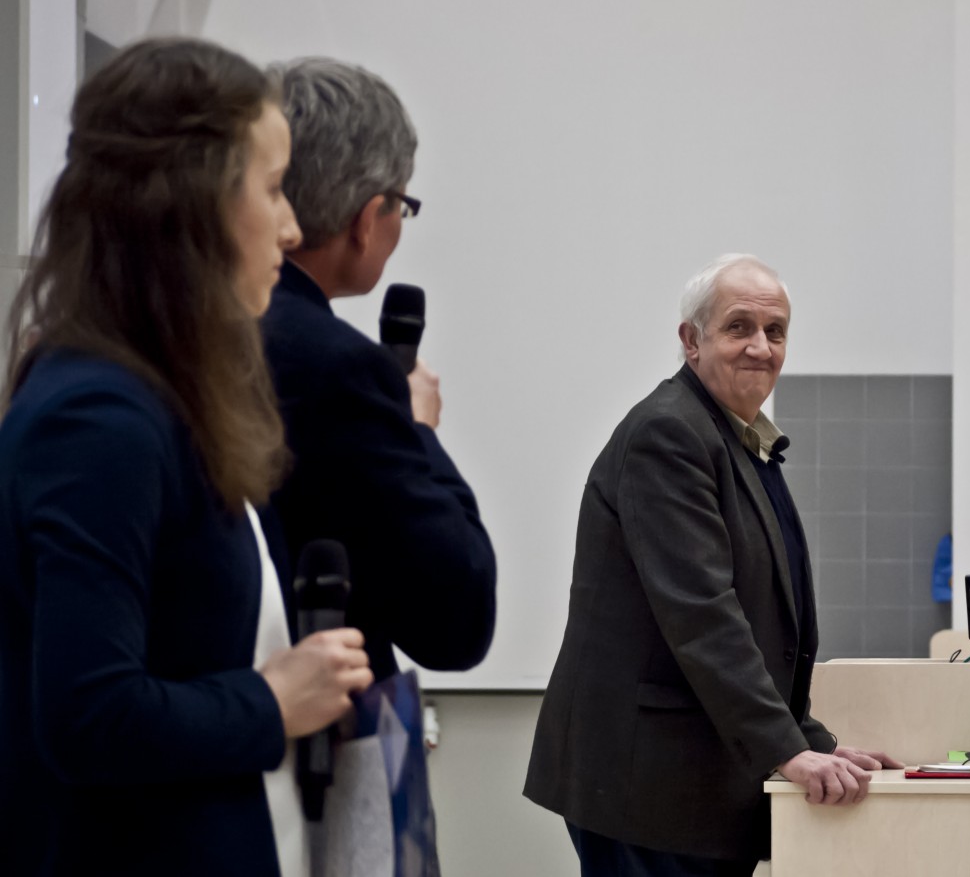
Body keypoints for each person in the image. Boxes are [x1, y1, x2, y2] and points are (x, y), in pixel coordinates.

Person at [0, 38, 374, 877]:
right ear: (188, 206)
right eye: (273, 189)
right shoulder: (98, 420)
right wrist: (272, 700)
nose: (291, 226)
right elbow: (88, 716)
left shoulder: (164, 395)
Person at [524, 254, 902, 876]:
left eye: (775, 331)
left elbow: (761, 624)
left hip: (691, 783)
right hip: (647, 786)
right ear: (691, 340)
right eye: (739, 327)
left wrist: (810, 741)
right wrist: (786, 750)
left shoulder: (740, 439)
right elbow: (702, 615)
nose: (761, 347)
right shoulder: (669, 434)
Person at [261, 58, 496, 681]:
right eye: (402, 206)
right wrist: (417, 428)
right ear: (367, 219)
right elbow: (456, 618)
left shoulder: (181, 322)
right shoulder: (337, 369)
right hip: (303, 717)